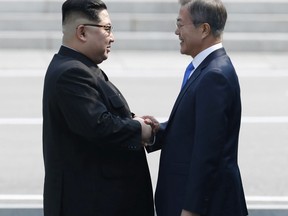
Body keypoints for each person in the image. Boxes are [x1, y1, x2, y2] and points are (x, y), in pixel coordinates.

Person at [42, 0, 155, 215]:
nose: (112, 37)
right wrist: (139, 129)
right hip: (91, 204)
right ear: (82, 32)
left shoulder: (81, 67)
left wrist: (135, 121)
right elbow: (99, 126)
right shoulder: (71, 73)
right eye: (107, 29)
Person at [145, 0, 248, 215]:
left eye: (181, 25)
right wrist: (156, 131)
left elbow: (207, 151)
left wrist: (191, 209)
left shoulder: (214, 75)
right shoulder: (204, 68)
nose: (176, 32)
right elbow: (195, 129)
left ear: (203, 29)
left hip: (203, 206)